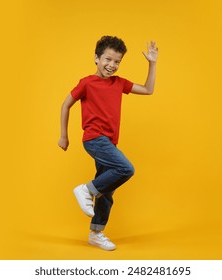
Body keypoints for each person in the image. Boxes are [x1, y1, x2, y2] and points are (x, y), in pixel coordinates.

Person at [58, 35, 158, 251]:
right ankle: (86, 190)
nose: (112, 65)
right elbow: (65, 105)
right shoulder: (87, 82)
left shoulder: (119, 83)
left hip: (109, 144)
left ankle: (96, 232)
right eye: (107, 59)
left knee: (107, 189)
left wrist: (152, 63)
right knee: (125, 169)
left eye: (117, 62)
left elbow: (148, 89)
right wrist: (63, 135)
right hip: (94, 139)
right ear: (96, 58)